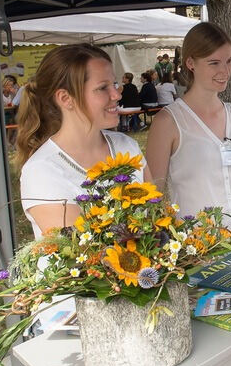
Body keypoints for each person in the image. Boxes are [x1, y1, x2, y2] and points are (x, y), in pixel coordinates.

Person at [16, 45, 147, 239]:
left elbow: (157, 214)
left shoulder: (126, 146)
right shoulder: (43, 171)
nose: (117, 95)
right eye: (103, 88)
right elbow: (82, 254)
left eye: (115, 83)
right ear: (65, 98)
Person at [144, 22, 231, 227]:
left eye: (229, 61)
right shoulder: (169, 121)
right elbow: (153, 193)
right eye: (214, 63)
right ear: (191, 63)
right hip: (201, 246)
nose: (225, 71)